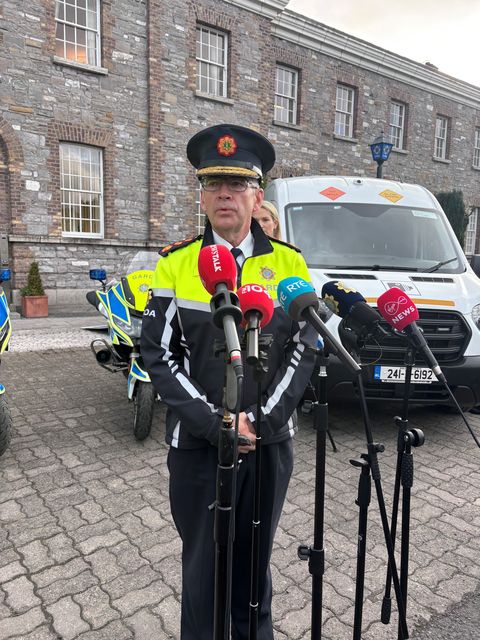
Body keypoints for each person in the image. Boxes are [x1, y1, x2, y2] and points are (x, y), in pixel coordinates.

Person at [140, 123, 317, 640]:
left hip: (266, 447)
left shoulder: (290, 263)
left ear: (256, 194)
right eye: (213, 184)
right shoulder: (174, 264)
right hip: (198, 447)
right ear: (201, 193)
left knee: (253, 573)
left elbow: (304, 349)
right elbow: (159, 352)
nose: (224, 194)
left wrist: (261, 420)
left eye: (236, 185)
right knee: (202, 573)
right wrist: (213, 422)